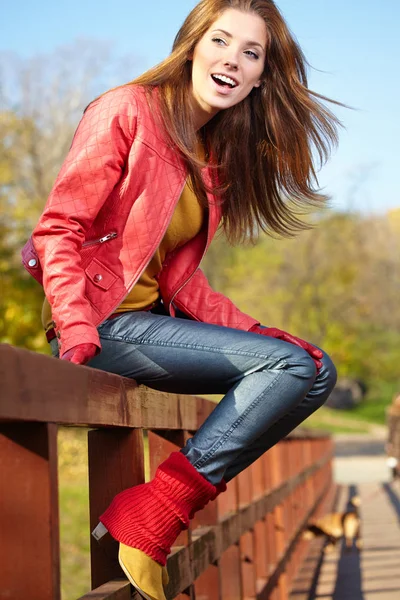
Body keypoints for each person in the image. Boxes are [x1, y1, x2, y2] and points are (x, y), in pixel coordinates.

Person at [22, 1, 340, 598]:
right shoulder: (126, 109)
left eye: (252, 53)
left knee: (314, 369)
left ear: (261, 76)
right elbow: (58, 227)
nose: (233, 61)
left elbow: (182, 282)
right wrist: (74, 325)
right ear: (192, 45)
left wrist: (259, 332)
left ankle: (155, 507)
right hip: (101, 325)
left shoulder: (206, 157)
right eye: (221, 41)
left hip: (146, 324)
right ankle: (154, 512)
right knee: (291, 367)